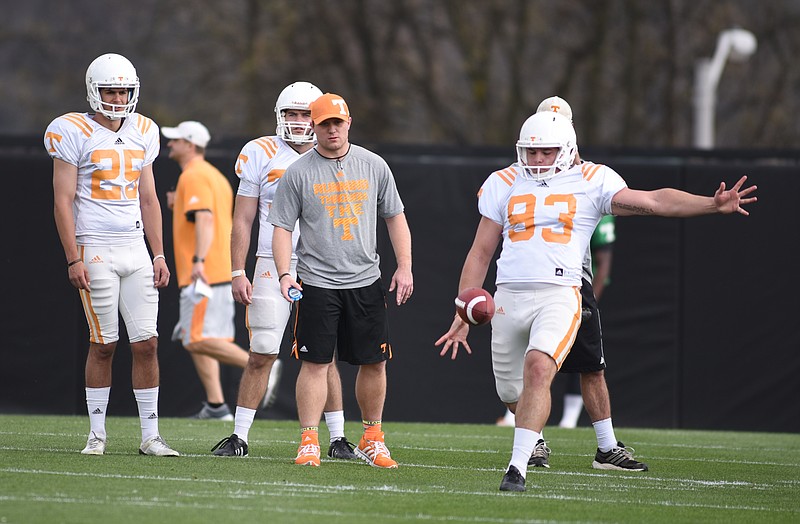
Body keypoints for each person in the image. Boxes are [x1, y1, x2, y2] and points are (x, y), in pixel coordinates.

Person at [436, 110, 756, 491]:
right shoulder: (502, 181)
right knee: (509, 391)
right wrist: (462, 308)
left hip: (560, 293)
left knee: (539, 368)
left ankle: (516, 468)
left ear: (567, 147)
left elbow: (654, 201)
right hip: (508, 297)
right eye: (531, 153)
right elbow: (480, 253)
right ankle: (534, 437)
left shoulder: (591, 180)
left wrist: (709, 203)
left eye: (547, 152)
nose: (537, 161)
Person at [211, 83, 356, 459]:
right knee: (261, 350)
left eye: (305, 114)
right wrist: (236, 271)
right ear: (279, 117)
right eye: (291, 114)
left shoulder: (338, 155)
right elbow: (242, 219)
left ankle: (338, 438)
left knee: (325, 354)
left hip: (321, 265)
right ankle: (239, 436)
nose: (298, 122)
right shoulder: (259, 152)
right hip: (269, 263)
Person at [269, 93, 413, 468]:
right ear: (313, 127)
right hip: (315, 281)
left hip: (365, 279)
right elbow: (282, 228)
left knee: (374, 362)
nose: (332, 129)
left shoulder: (374, 165)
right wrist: (285, 273)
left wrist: (405, 266)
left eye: (338, 122)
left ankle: (372, 437)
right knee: (315, 363)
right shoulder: (298, 172)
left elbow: (395, 216)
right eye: (324, 123)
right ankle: (309, 441)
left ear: (349, 123)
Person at [45, 53, 179, 456]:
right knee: (104, 343)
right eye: (110, 90)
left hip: (135, 248)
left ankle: (150, 436)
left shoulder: (144, 130)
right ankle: (97, 435)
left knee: (148, 342)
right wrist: (73, 257)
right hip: (95, 246)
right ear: (93, 91)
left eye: (123, 90)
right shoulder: (73, 130)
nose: (118, 98)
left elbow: (150, 198)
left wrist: (159, 254)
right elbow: (62, 201)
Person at [163, 120, 274, 420]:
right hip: (218, 271)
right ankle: (216, 405)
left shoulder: (194, 175)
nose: (170, 144)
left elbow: (206, 220)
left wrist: (198, 260)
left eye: (175, 140)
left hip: (205, 273)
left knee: (195, 339)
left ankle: (261, 363)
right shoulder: (212, 175)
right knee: (200, 340)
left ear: (189, 144)